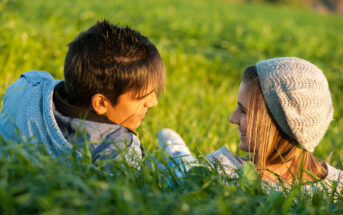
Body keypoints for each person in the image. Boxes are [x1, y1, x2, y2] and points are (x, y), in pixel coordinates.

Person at [158, 57, 343, 190]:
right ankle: (176, 151)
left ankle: (177, 150)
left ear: (278, 124)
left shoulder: (224, 174)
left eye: (244, 111)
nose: (232, 118)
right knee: (184, 167)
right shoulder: (220, 169)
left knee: (185, 165)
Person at [0, 20, 166, 167]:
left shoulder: (27, 87)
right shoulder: (118, 150)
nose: (153, 102)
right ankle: (182, 160)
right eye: (142, 97)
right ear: (100, 103)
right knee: (173, 171)